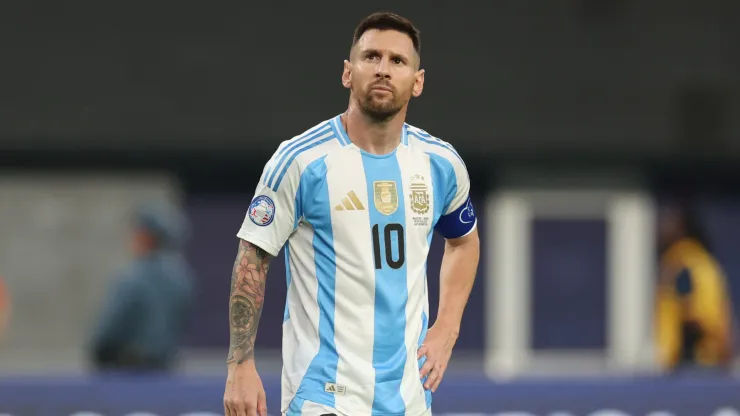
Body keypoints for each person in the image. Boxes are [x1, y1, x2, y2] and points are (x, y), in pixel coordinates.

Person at [223, 11, 480, 416]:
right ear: (348, 73)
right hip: (323, 396)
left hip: (409, 399)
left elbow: (464, 242)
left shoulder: (441, 164)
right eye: (371, 57)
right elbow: (252, 257)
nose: (383, 70)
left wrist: (448, 326)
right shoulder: (301, 161)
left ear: (418, 81)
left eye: (398, 61)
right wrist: (240, 364)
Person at [89, 202, 195, 372]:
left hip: (127, 373)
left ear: (146, 237)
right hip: (165, 372)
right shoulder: (182, 278)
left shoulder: (134, 278)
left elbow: (108, 333)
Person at [654, 200, 735, 372]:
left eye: (667, 222)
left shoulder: (681, 262)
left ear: (681, 227)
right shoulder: (702, 260)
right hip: (709, 360)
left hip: (694, 363)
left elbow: (694, 313)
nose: (660, 228)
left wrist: (678, 353)